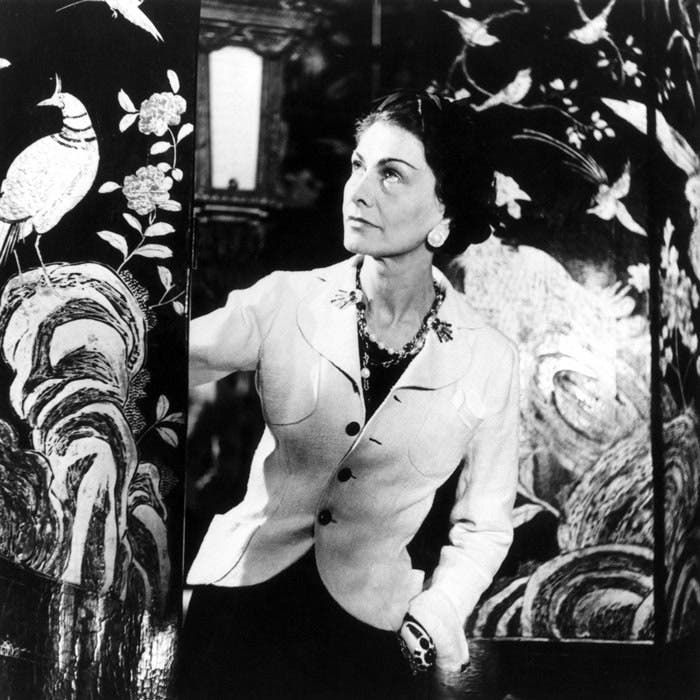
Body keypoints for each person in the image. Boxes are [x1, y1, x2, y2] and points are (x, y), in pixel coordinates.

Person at [179, 91, 519, 699]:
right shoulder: (286, 300)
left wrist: (433, 616)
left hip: (367, 644)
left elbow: (485, 526)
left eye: (391, 174)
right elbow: (162, 359)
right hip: (236, 618)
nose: (357, 191)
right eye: (358, 166)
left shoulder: (489, 358)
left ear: (444, 214)